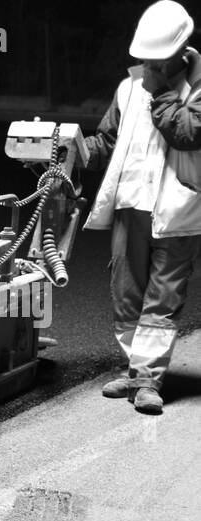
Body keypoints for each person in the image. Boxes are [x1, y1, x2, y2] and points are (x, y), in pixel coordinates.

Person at [84, 0, 201, 415]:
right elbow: (108, 142)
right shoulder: (127, 88)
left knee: (162, 298)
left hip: (178, 211)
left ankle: (149, 379)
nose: (146, 69)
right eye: (144, 61)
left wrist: (162, 96)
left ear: (180, 53)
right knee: (126, 294)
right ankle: (135, 371)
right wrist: (77, 151)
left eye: (156, 62)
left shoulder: (196, 90)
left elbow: (188, 134)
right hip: (130, 204)